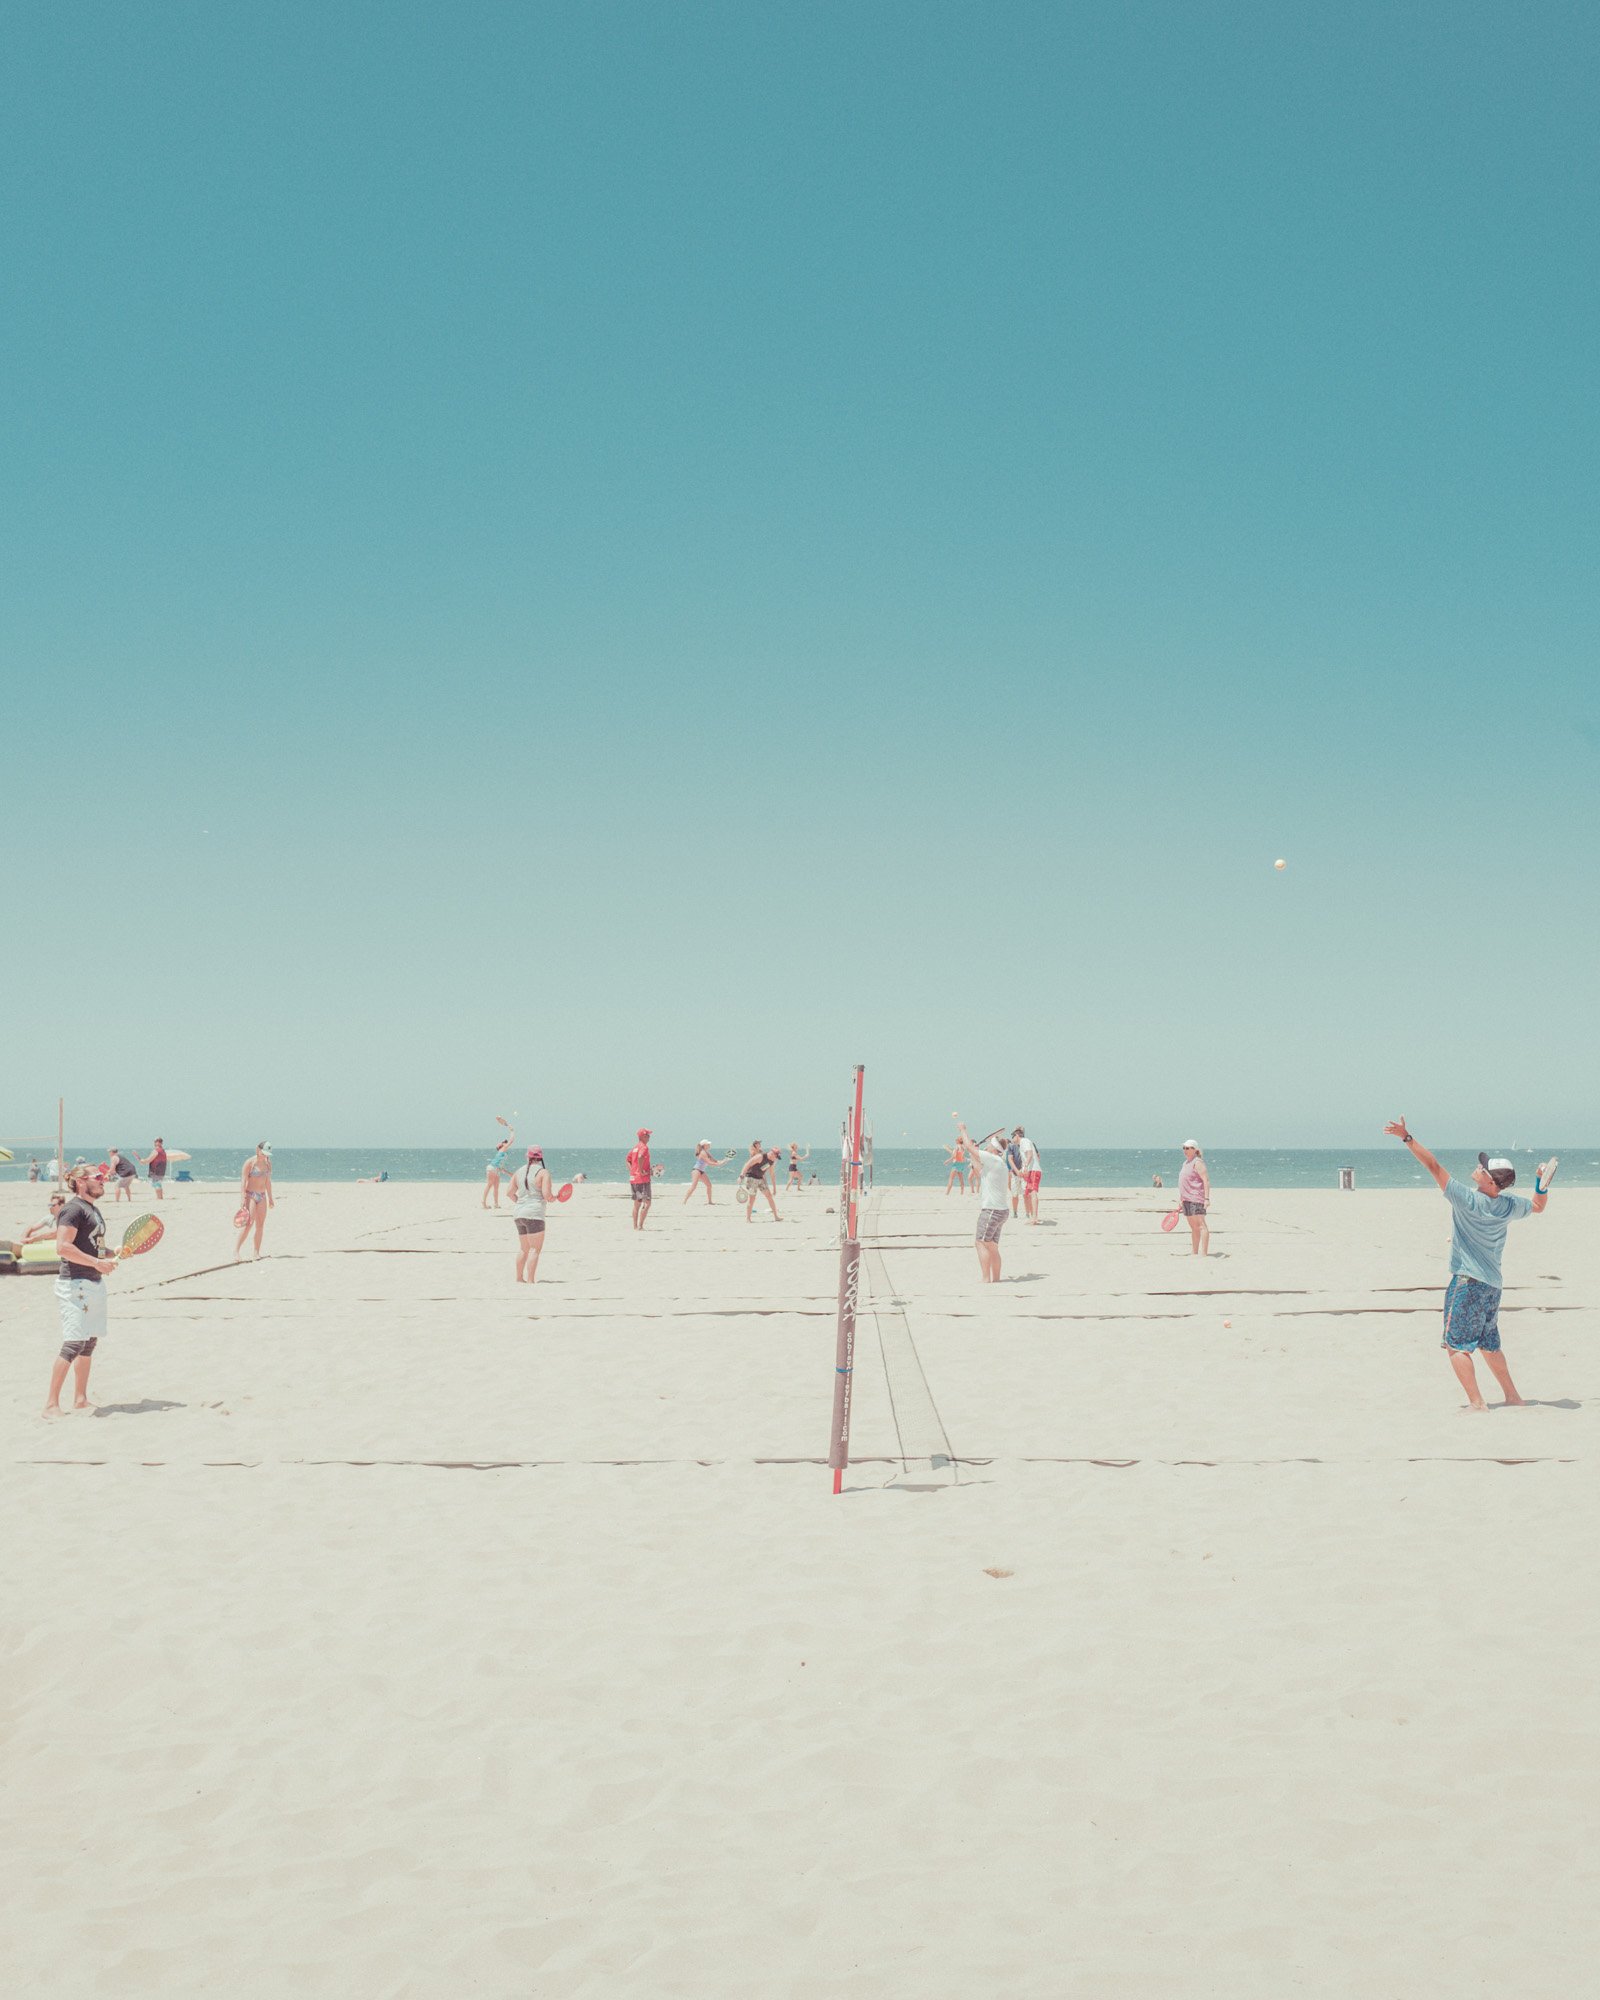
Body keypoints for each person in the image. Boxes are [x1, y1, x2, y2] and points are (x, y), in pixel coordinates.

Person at [1384, 1121, 1554, 1410]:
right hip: (1492, 1286)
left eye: (1483, 1168)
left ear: (1490, 1181)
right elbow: (1538, 1206)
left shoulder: (1468, 1200)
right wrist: (1541, 1182)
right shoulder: (1509, 1205)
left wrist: (1408, 1138)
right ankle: (1513, 1397)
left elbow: (1434, 1167)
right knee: (1489, 1344)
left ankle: (1477, 1403)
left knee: (1456, 1346)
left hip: (1467, 1283)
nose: (1478, 1167)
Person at [44, 1165, 116, 1416]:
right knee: (74, 1343)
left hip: (93, 1282)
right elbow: (63, 1247)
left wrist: (110, 1254)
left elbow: (94, 1248)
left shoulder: (93, 1210)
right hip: (74, 1284)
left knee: (89, 1342)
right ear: (82, 1181)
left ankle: (80, 1399)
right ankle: (51, 1405)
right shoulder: (73, 1209)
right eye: (99, 1177)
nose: (104, 1180)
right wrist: (97, 1263)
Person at [956, 1122, 1010, 1281]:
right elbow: (979, 1171)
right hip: (1001, 1211)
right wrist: (972, 1152)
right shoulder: (999, 1163)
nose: (985, 1148)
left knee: (980, 1243)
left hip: (991, 1210)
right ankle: (996, 1279)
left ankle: (986, 1279)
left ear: (994, 1149)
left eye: (988, 1147)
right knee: (992, 1246)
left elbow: (968, 1146)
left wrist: (963, 1130)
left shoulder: (992, 1158)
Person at [509, 1147, 556, 1284]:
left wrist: (521, 1203)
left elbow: (509, 1193)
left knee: (524, 1248)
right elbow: (547, 1195)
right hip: (534, 1214)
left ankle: (519, 1278)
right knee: (535, 1249)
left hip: (518, 1213)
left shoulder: (518, 1172)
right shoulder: (543, 1172)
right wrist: (554, 1198)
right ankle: (530, 1280)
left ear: (527, 1156)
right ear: (540, 1157)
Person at [234, 1143, 274, 1259]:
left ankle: (256, 1253)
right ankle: (236, 1251)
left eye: (267, 1154)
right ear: (258, 1150)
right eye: (263, 1153)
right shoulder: (249, 1163)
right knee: (249, 1224)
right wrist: (242, 1198)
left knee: (260, 1225)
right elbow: (243, 1181)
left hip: (262, 1196)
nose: (264, 1156)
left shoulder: (268, 1164)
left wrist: (270, 1198)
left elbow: (267, 1182)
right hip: (250, 1195)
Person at [1177, 1141, 1210, 1255]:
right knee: (1194, 1227)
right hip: (1186, 1199)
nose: (1185, 1150)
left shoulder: (1198, 1162)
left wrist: (1206, 1199)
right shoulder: (1185, 1163)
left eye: (1188, 1148)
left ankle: (1204, 1254)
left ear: (1195, 1150)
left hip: (1196, 1198)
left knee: (1201, 1226)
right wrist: (1181, 1199)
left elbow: (1206, 1180)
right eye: (1184, 1148)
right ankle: (1194, 1253)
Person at [739, 1148, 782, 1223]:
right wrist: (741, 1176)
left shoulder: (772, 1161)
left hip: (760, 1178)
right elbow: (747, 1164)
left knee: (769, 1196)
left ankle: (776, 1217)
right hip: (751, 1178)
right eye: (776, 1157)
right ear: (772, 1154)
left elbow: (772, 1174)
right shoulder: (760, 1157)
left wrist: (774, 1188)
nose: (776, 1159)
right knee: (752, 1198)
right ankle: (748, 1219)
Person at [1015, 1128, 1043, 1224]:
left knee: (1033, 1193)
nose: (1012, 1139)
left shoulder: (1024, 1141)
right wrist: (1022, 1169)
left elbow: (1029, 1154)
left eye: (1013, 1136)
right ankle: (1033, 1217)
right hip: (1031, 1170)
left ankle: (1034, 1217)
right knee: (1029, 1193)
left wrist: (1026, 1166)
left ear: (1017, 1136)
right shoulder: (1022, 1143)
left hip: (1033, 1170)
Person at [482, 1129, 516, 1209]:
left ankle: (496, 1204)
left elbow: (500, 1166)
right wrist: (512, 1131)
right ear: (500, 1146)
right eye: (504, 1142)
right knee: (489, 1185)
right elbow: (511, 1141)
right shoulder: (502, 1149)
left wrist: (508, 1173)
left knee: (496, 1187)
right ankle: (483, 1202)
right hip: (492, 1168)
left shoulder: (503, 1152)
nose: (505, 1142)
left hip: (496, 1169)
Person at [627, 1128, 654, 1229]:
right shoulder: (644, 1147)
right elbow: (640, 1157)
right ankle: (640, 1226)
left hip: (634, 1179)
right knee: (647, 1203)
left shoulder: (635, 1148)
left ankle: (635, 1226)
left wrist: (633, 1171)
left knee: (637, 1204)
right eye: (647, 1135)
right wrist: (642, 1170)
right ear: (642, 1136)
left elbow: (627, 1160)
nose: (649, 1137)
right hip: (643, 1180)